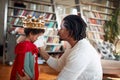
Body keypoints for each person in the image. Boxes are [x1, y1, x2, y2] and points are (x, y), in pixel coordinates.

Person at [18, 15, 103, 80]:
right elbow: (59, 66)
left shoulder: (80, 53)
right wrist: (41, 50)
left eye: (61, 28)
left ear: (71, 32)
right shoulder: (74, 45)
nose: (58, 31)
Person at [10, 15, 45, 80]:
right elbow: (25, 64)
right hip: (26, 76)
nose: (37, 38)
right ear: (31, 33)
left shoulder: (26, 45)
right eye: (37, 36)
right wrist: (31, 76)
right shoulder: (26, 46)